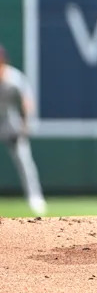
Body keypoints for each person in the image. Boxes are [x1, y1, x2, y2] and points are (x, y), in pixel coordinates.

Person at [0, 44, 46, 216]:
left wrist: (26, 123)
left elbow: (27, 102)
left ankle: (35, 199)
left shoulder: (14, 78)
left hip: (9, 121)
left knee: (24, 160)